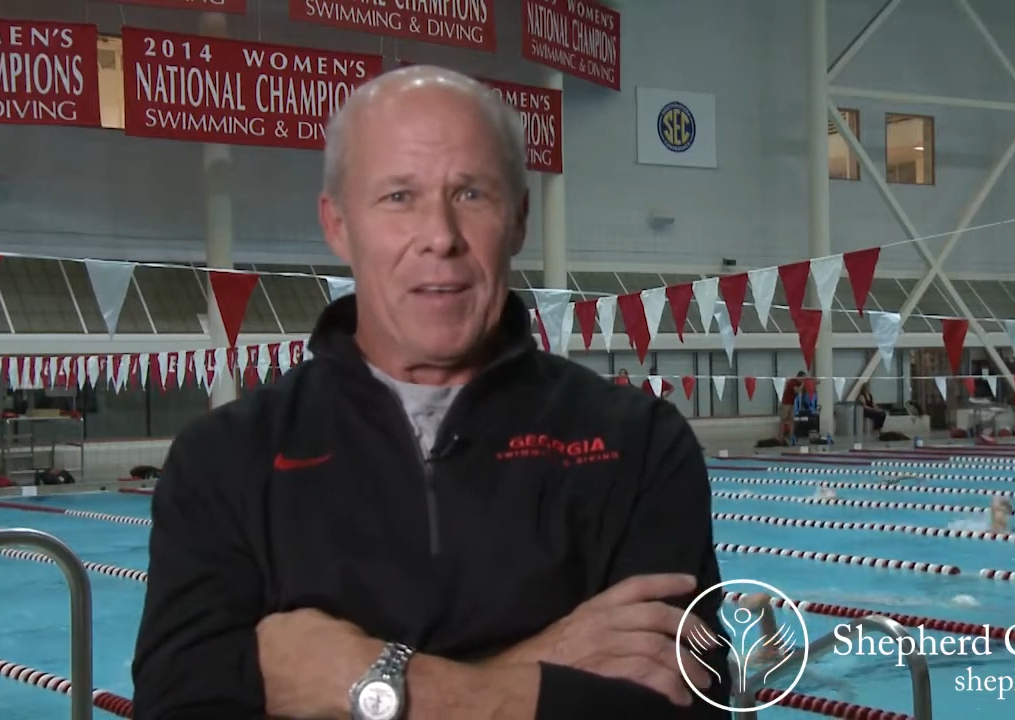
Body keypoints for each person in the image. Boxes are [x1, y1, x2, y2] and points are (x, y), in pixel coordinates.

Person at [131, 65, 730, 719]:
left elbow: (681, 705)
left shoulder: (636, 443)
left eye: (471, 194)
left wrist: (367, 688)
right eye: (398, 197)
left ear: (520, 220)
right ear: (337, 225)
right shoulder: (225, 459)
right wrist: (547, 669)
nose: (440, 236)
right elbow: (183, 705)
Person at [779, 371, 806, 438]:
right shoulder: (792, 382)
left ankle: (791, 435)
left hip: (791, 403)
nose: (803, 381)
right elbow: (796, 390)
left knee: (792, 419)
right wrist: (803, 385)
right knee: (783, 419)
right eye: (802, 379)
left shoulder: (799, 383)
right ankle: (781, 436)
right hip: (785, 402)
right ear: (799, 377)